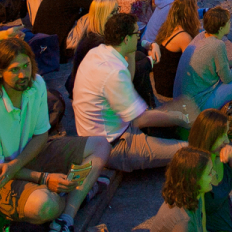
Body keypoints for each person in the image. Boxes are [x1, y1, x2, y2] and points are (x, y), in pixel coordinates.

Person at [0, 37, 109, 232]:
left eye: (26, 65)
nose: (23, 74)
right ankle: (79, 193)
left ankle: (66, 219)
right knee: (47, 205)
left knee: (101, 145)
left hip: (26, 156)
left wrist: (35, 172)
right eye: (15, 69)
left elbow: (41, 135)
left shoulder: (36, 84)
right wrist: (45, 178)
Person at [71, 12, 190, 171]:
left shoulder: (98, 52)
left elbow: (129, 78)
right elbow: (140, 119)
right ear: (126, 39)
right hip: (115, 145)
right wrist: (181, 116)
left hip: (101, 133)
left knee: (171, 125)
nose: (139, 36)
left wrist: (132, 52)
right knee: (189, 148)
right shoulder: (113, 73)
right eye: (136, 33)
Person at [178, 6, 232, 116]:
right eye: (228, 22)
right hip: (198, 105)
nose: (230, 23)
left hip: (185, 100)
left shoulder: (202, 36)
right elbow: (227, 78)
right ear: (221, 28)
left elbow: (220, 65)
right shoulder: (218, 45)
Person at [142, 147, 214, 232]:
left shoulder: (195, 196)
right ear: (194, 180)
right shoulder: (183, 223)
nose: (214, 174)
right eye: (209, 173)